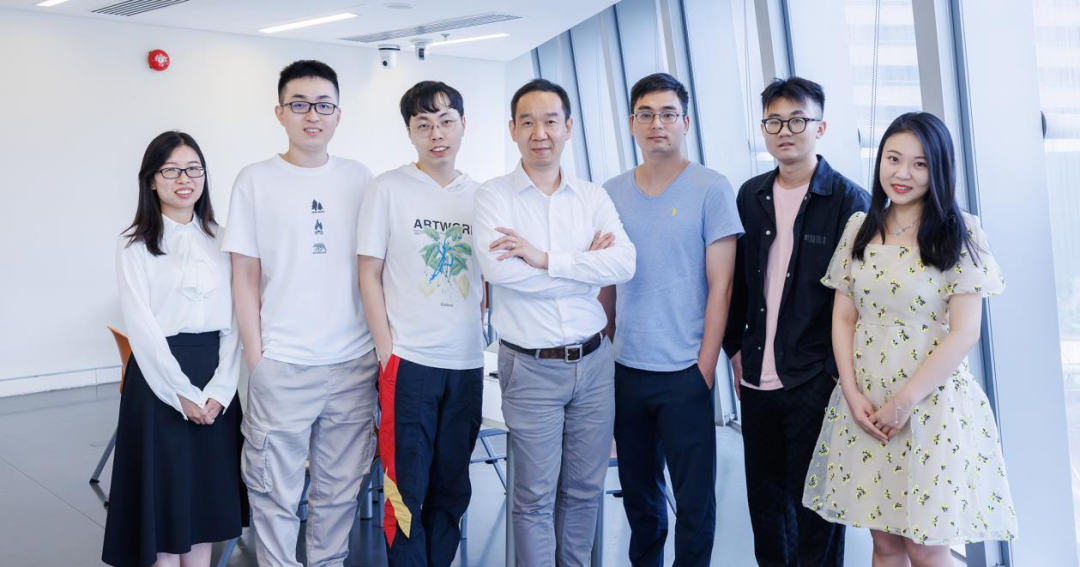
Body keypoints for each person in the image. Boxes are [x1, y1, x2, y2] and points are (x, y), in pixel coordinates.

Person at [803, 111, 1018, 565]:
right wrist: (851, 391)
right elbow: (843, 317)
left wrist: (903, 402)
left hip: (929, 404)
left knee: (926, 545)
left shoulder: (961, 231)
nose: (902, 173)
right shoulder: (860, 226)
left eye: (919, 164)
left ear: (939, 168)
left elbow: (965, 332)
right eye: (893, 158)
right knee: (884, 542)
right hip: (866, 402)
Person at [473, 78, 636, 565]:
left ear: (568, 127)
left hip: (594, 363)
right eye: (528, 122)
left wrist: (543, 258)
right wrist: (585, 269)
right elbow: (501, 272)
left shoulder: (592, 197)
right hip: (530, 367)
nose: (539, 133)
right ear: (512, 129)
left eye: (550, 121)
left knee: (585, 490)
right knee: (533, 497)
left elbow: (624, 263)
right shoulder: (493, 197)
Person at [222, 60, 378, 567]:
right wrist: (257, 358)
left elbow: (375, 268)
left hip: (352, 364)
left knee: (340, 492)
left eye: (324, 105)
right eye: (301, 105)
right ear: (280, 112)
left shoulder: (360, 179)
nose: (313, 115)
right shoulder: (255, 180)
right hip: (283, 363)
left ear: (339, 114)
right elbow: (244, 274)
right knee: (273, 492)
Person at [723, 77, 869, 567]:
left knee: (818, 509)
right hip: (755, 379)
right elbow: (737, 283)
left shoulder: (849, 202)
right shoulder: (750, 195)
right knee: (766, 509)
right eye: (774, 122)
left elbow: (858, 301)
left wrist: (835, 374)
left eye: (797, 120)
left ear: (820, 127)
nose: (785, 131)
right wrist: (735, 348)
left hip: (814, 379)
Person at [600, 72, 741, 566]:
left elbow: (722, 285)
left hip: (685, 371)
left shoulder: (711, 188)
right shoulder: (611, 192)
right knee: (640, 498)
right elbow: (605, 283)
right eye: (646, 114)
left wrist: (705, 367)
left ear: (685, 122)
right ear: (631, 123)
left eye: (667, 114)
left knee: (695, 502)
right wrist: (607, 352)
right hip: (627, 370)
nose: (656, 123)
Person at [103, 131, 247, 567]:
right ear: (151, 179)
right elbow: (142, 327)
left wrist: (222, 389)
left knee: (204, 502)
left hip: (216, 378)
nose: (184, 179)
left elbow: (238, 320)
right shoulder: (134, 244)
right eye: (171, 170)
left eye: (193, 169)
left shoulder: (224, 239)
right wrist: (180, 392)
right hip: (159, 380)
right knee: (165, 501)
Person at [357, 80, 485, 566]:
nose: (437, 134)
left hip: (466, 362)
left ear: (463, 125)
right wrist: (386, 350)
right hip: (409, 362)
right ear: (409, 132)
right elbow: (367, 273)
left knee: (453, 486)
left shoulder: (481, 196)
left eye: (446, 122)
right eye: (424, 124)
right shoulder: (387, 189)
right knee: (405, 488)